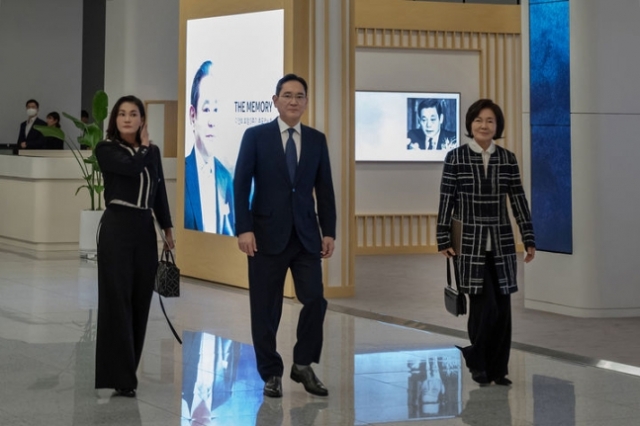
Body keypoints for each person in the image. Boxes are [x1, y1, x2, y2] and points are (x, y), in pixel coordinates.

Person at [234, 74, 337, 398]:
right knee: (265, 309)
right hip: (265, 236)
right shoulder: (256, 136)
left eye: (300, 96)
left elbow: (325, 189)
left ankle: (303, 363)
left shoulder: (317, 140)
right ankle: (271, 373)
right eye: (287, 95)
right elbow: (240, 184)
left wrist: (329, 231)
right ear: (275, 100)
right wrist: (244, 228)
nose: (294, 101)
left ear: (306, 102)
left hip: (306, 236)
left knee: (315, 301)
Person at [436, 99, 535, 386]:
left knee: (503, 310)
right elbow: (446, 200)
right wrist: (442, 237)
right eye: (479, 120)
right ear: (470, 124)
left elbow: (518, 199)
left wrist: (528, 236)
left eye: (490, 121)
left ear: (497, 126)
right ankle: (477, 359)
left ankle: (497, 370)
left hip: (502, 244)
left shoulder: (507, 158)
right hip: (469, 244)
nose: (484, 125)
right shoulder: (455, 158)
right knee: (484, 307)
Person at [94, 95, 174, 397]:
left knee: (141, 300)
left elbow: (159, 192)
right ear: (114, 119)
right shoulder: (106, 149)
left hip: (144, 229)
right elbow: (129, 168)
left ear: (142, 119)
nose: (127, 119)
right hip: (117, 226)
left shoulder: (151, 152)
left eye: (134, 114)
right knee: (118, 301)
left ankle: (128, 371)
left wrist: (167, 228)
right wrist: (143, 147)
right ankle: (121, 376)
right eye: (122, 114)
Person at [184, 60, 235, 235]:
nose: (212, 121)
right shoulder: (183, 172)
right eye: (206, 109)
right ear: (193, 115)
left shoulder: (226, 177)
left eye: (216, 110)